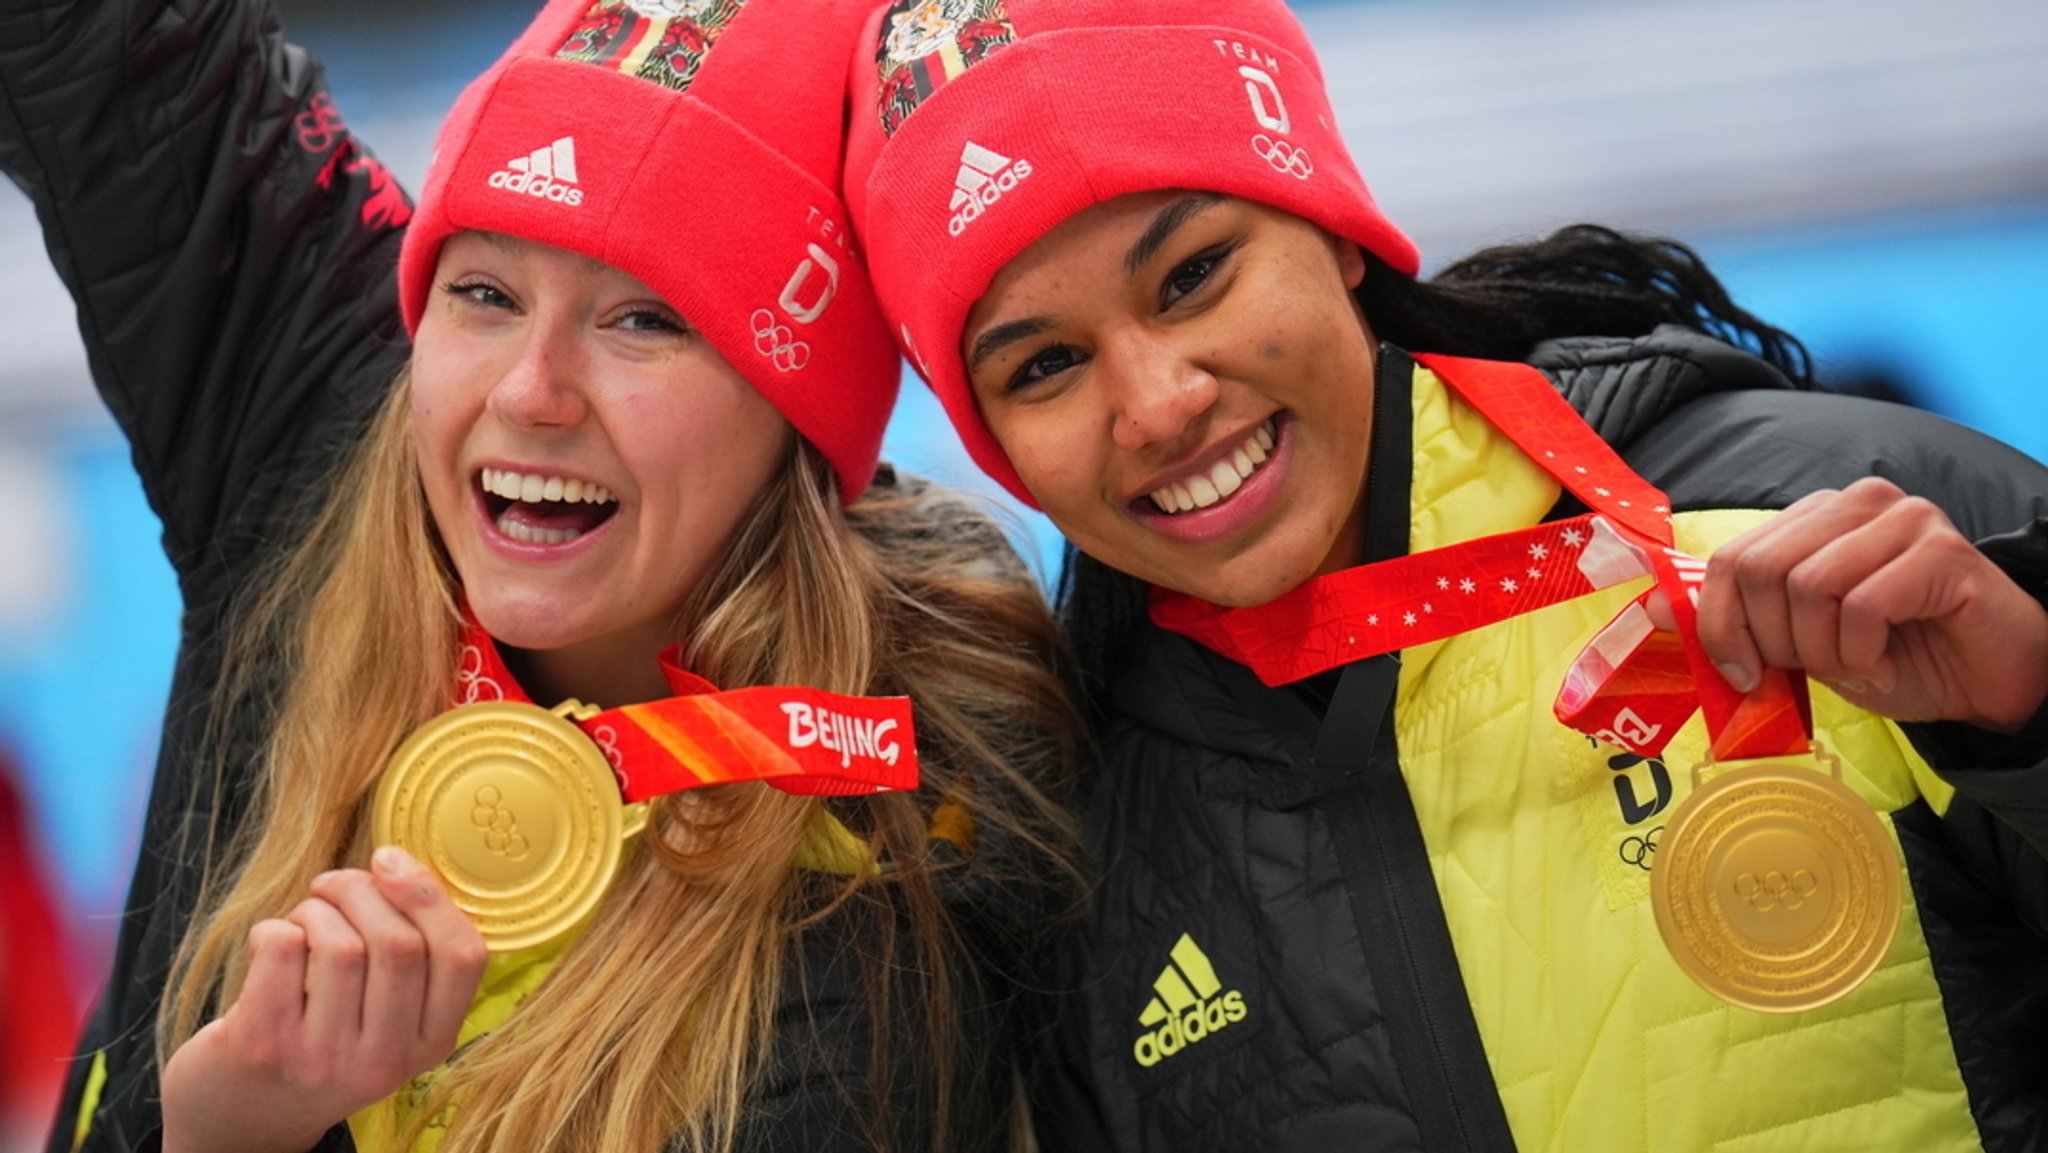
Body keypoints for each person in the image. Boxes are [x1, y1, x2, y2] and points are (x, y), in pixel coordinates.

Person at [838, 1, 2048, 1150]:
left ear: (1331, 232)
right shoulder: (1081, 850)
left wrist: (2031, 725)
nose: (1159, 406)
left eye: (1194, 273)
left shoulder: (1838, 524)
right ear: (995, 445)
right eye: (1045, 364)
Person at [1, 0, 1083, 1149]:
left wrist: (233, 1136)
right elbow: (119, 57)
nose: (530, 392)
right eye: (485, 294)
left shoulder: (884, 919)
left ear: (792, 422)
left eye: (645, 320)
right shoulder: (319, 439)